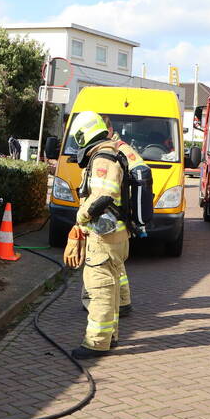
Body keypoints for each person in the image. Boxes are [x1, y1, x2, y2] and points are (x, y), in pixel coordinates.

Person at [65, 111, 130, 360]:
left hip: (104, 241)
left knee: (99, 289)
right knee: (111, 289)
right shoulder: (111, 153)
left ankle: (96, 342)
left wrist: (81, 217)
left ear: (84, 134)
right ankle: (110, 336)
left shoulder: (102, 158)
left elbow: (104, 196)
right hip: (116, 237)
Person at [102, 115, 144, 317]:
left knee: (103, 266)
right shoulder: (107, 149)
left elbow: (141, 171)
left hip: (111, 218)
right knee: (116, 265)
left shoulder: (120, 148)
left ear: (109, 130)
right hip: (114, 218)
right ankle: (124, 301)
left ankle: (103, 304)